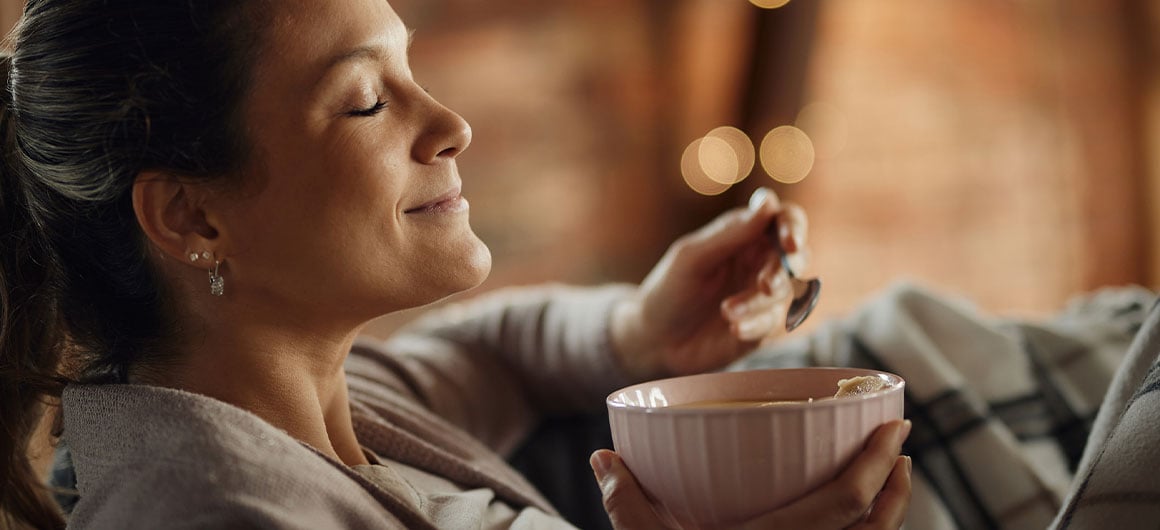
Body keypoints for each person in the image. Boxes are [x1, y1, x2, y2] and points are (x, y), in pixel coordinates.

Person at [0, 1, 912, 529]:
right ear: (191, 214)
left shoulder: (316, 408)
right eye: (365, 101)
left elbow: (491, 356)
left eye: (411, 72)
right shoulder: (209, 512)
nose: (450, 125)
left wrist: (639, 329)